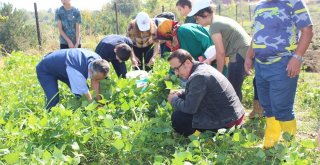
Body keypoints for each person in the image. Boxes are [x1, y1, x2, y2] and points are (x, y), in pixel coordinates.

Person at [244, 0, 313, 149]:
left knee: (282, 106)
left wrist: (297, 57)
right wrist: (249, 56)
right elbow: (256, 34)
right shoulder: (259, 6)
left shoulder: (293, 2)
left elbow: (307, 30)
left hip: (283, 63)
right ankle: (271, 141)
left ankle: (290, 146)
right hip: (261, 65)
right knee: (267, 105)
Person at [167, 49, 245, 136]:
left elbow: (189, 108)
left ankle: (199, 135)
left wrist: (173, 100)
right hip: (232, 116)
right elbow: (198, 92)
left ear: (188, 63)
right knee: (181, 97)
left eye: (177, 69)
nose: (176, 73)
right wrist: (180, 92)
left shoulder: (198, 76)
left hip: (228, 124)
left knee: (178, 118)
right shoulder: (201, 68)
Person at [188, 0, 251, 103]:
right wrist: (211, 59)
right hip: (246, 51)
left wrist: (218, 74)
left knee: (232, 88)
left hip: (240, 53)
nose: (196, 21)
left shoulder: (214, 26)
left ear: (205, 14)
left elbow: (221, 52)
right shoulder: (219, 20)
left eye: (197, 18)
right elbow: (222, 49)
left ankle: (235, 115)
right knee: (234, 85)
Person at [36, 48, 109, 110]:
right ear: (91, 71)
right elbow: (85, 94)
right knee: (53, 98)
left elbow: (95, 81)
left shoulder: (98, 62)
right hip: (46, 69)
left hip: (65, 67)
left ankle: (82, 110)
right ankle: (48, 115)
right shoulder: (77, 72)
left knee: (81, 96)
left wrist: (100, 103)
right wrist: (95, 108)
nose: (97, 80)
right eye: (96, 78)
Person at [157, 19, 227, 75]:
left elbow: (207, 41)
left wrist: (207, 58)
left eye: (165, 39)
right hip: (206, 61)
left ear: (168, 34)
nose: (167, 43)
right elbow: (178, 58)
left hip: (216, 54)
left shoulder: (184, 31)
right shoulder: (174, 39)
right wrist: (171, 73)